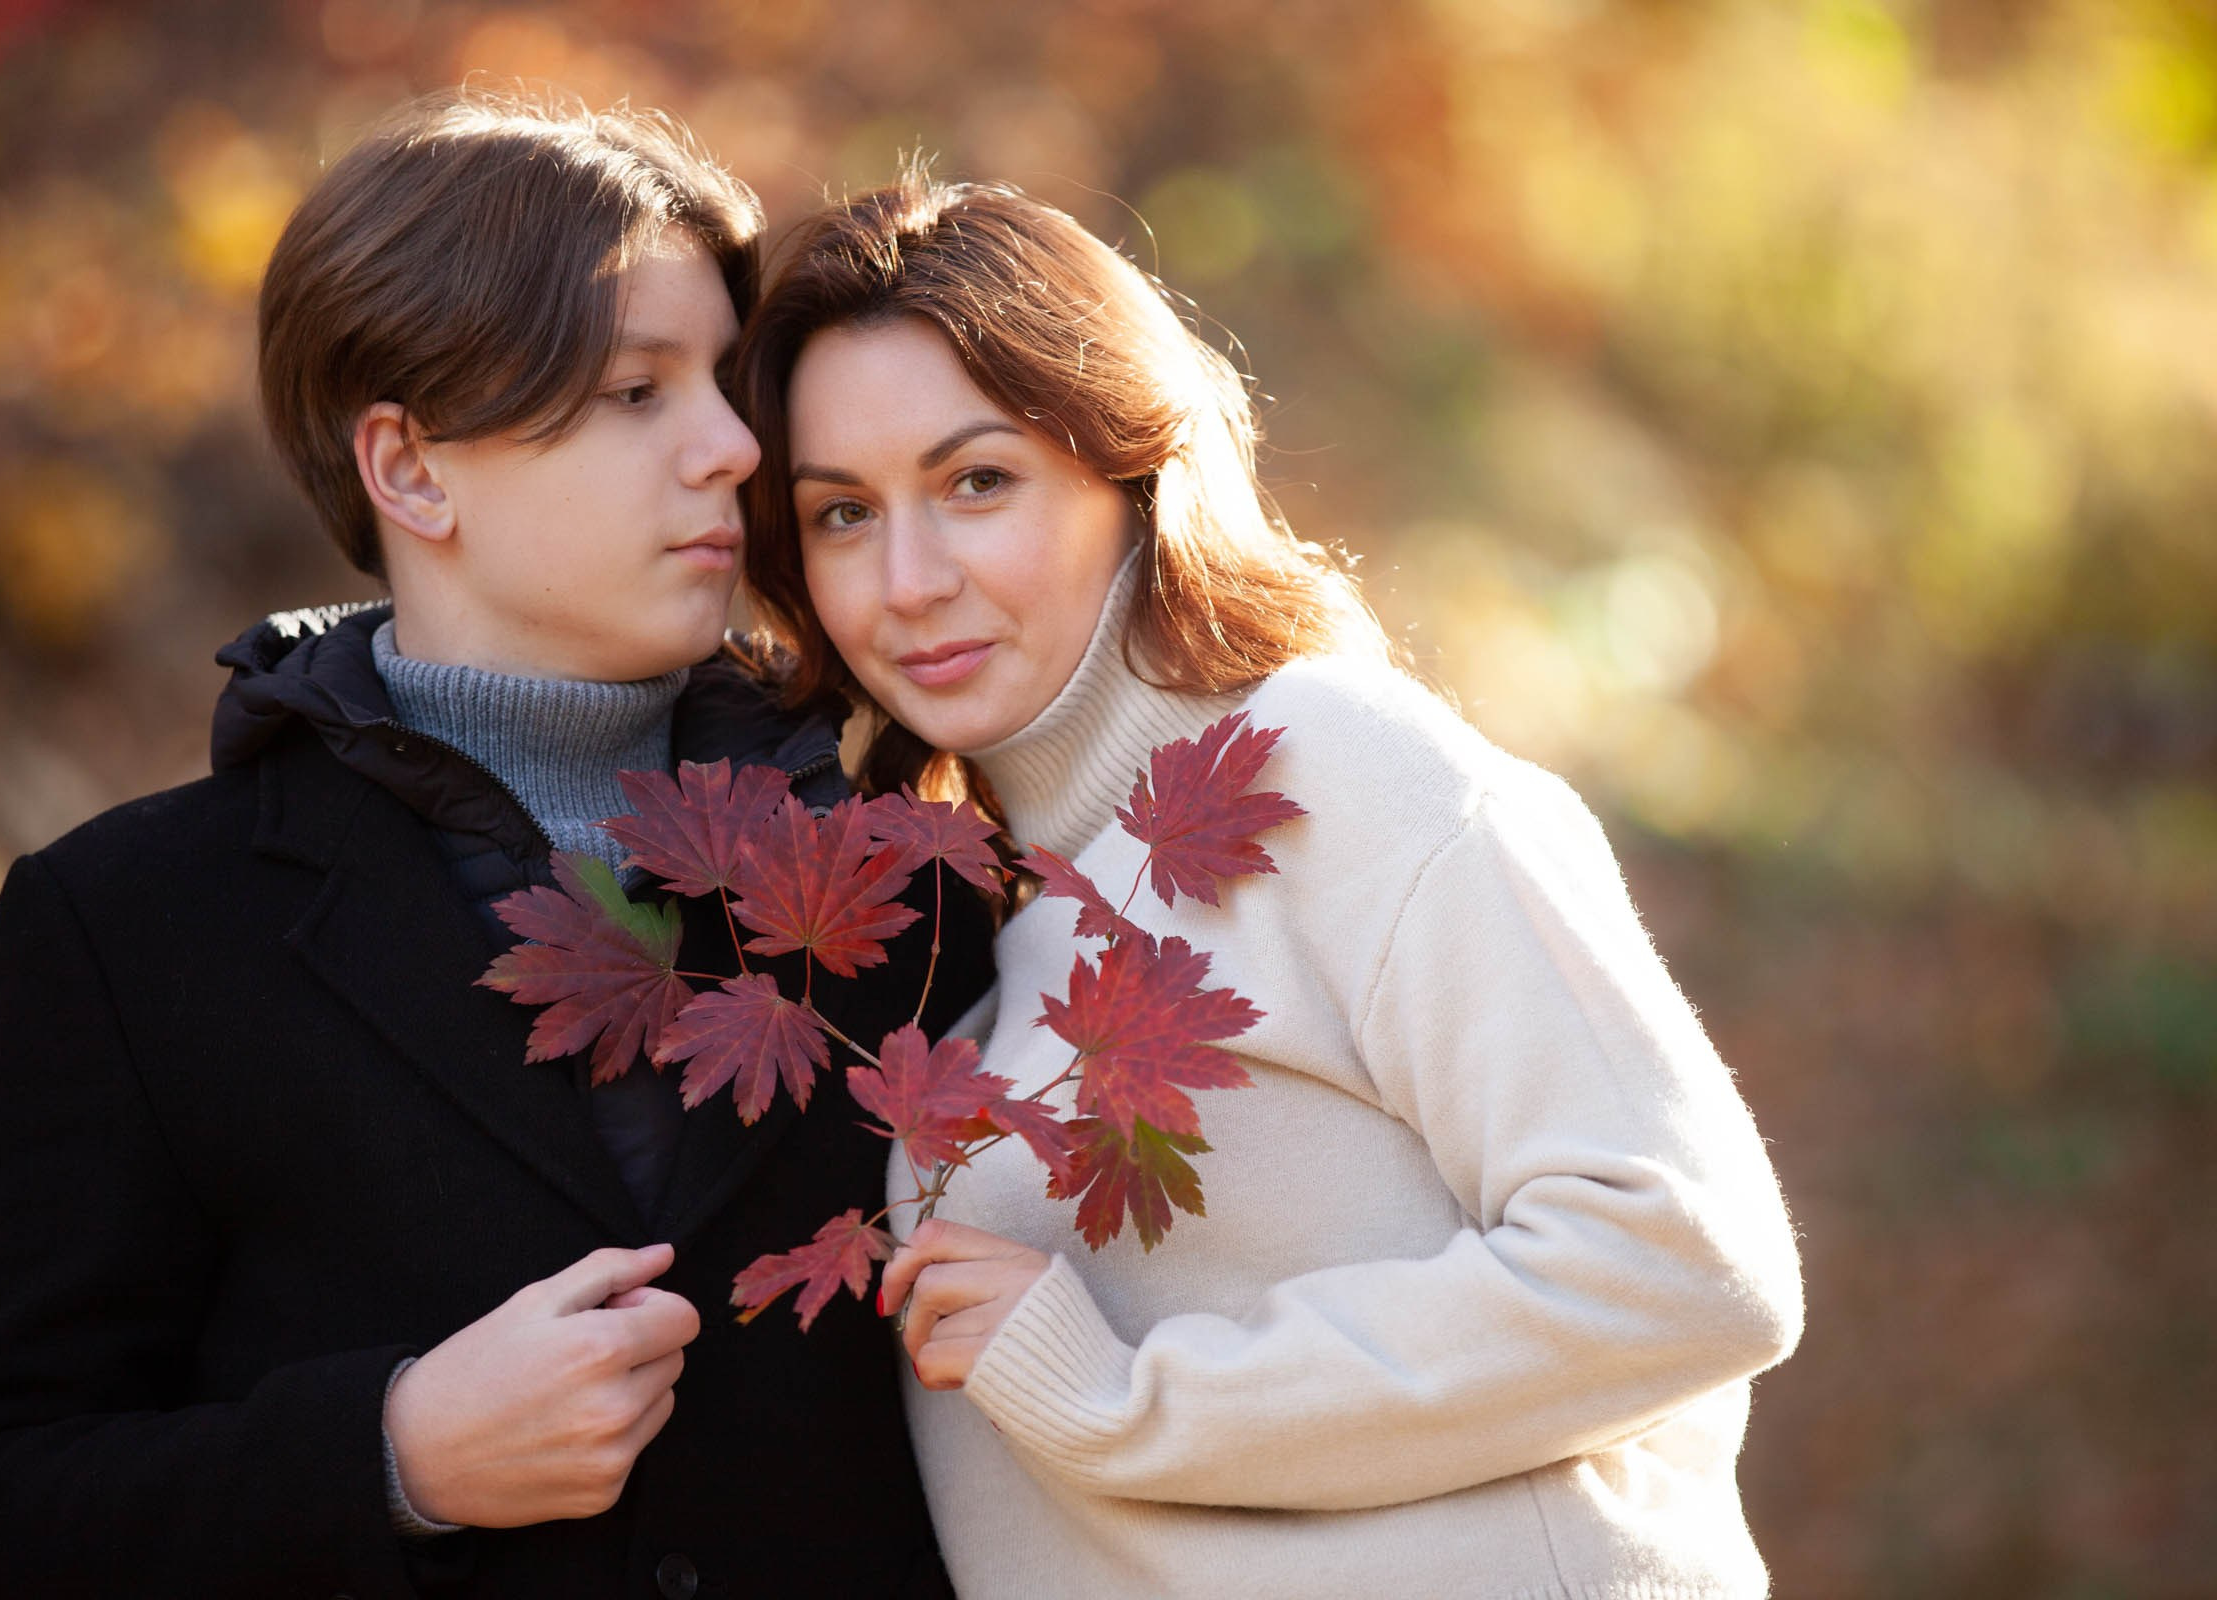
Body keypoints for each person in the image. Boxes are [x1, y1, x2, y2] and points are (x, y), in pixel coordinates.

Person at [0, 94, 983, 1599]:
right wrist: (388, 1458)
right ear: (409, 468)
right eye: (637, 393)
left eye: (725, 385)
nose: (733, 449)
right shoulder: (131, 927)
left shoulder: (918, 871)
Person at [733, 173, 1806, 1599]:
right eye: (842, 515)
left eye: (976, 480)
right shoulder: (975, 927)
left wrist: (1129, 1399)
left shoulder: (1337, 771)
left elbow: (1680, 1263)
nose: (907, 579)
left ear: (1131, 472)